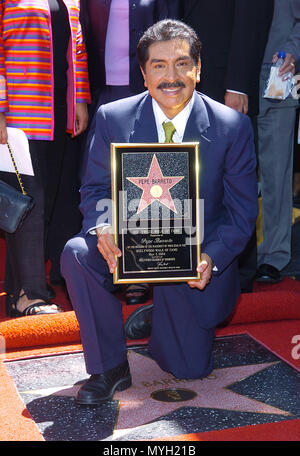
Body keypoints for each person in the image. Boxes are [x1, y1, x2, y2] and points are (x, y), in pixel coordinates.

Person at [61, 19, 258, 405]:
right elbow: (95, 189)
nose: (172, 77)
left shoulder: (232, 126)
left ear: (199, 69)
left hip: (193, 260)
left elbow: (241, 213)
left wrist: (211, 260)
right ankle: (108, 366)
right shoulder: (112, 117)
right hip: (129, 249)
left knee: (187, 368)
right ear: (143, 73)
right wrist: (102, 226)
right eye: (159, 66)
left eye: (183, 64)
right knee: (78, 252)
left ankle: (160, 312)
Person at [79, 0, 180, 305]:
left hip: (145, 95)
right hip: (101, 94)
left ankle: (140, 272)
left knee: (144, 182)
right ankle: (109, 263)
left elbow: (171, 38)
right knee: (101, 179)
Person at [0, 0, 90, 316]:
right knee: (29, 204)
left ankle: (18, 288)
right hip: (18, 117)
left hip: (56, 115)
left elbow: (77, 49)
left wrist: (80, 99)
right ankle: (30, 295)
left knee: (39, 204)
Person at [181, 0, 274, 294]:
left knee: (234, 182)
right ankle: (189, 259)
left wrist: (238, 84)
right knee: (197, 177)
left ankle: (241, 272)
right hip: (184, 81)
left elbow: (252, 19)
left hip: (225, 85)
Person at [255, 0, 300, 284]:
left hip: (279, 76)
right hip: (231, 78)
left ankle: (274, 255)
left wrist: (294, 51)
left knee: (277, 172)